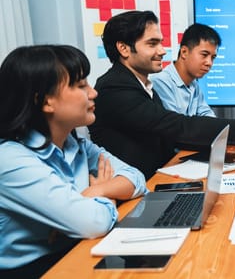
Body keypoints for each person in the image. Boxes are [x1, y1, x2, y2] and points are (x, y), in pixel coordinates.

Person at [89, 10, 235, 178]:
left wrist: (232, 141)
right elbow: (178, 127)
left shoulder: (142, 85)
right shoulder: (115, 88)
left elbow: (170, 133)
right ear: (124, 49)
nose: (162, 51)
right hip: (137, 189)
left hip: (160, 178)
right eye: (152, 44)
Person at [0, 45, 147, 277]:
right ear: (45, 101)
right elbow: (92, 222)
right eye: (81, 86)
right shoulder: (10, 159)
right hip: (33, 270)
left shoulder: (73, 144)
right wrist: (107, 197)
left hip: (78, 249)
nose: (93, 93)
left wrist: (91, 194)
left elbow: (136, 178)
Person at [151, 23, 218, 117]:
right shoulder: (160, 82)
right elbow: (176, 125)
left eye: (213, 57)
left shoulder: (194, 85)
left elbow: (208, 117)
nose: (209, 63)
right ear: (184, 52)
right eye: (204, 55)